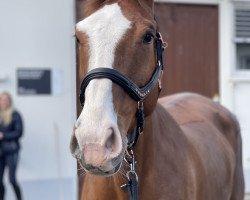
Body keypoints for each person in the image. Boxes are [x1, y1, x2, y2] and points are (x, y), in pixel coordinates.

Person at [0, 92, 23, 200]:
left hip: (11, 150)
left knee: (11, 179)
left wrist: (4, 135)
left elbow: (19, 132)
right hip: (1, 152)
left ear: (10, 101)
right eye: (2, 100)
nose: (4, 102)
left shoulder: (15, 115)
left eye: (6, 100)